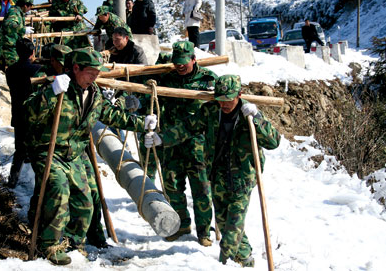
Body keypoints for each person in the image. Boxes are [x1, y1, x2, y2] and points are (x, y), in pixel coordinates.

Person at [24, 48, 157, 265]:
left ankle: (74, 244)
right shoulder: (55, 87)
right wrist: (51, 93)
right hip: (50, 152)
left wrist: (141, 123)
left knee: (85, 202)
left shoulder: (93, 94)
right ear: (76, 69)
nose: (95, 77)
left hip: (75, 154)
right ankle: (50, 245)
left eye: (98, 73)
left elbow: (111, 115)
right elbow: (27, 113)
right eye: (91, 72)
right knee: (58, 192)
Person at [145, 74, 281, 267]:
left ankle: (223, 263)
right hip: (217, 176)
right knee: (225, 224)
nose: (224, 104)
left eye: (228, 100)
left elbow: (274, 142)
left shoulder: (248, 115)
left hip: (242, 180)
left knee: (233, 228)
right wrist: (161, 139)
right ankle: (245, 259)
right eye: (220, 99)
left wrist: (257, 118)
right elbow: (187, 128)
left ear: (239, 95)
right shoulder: (210, 111)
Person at [140, 41, 217, 246]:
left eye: (184, 62)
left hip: (197, 146)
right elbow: (148, 93)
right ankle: (182, 225)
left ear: (194, 59)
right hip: (170, 144)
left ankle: (203, 232)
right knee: (173, 188)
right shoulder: (167, 78)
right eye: (177, 62)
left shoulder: (207, 80)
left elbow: (222, 105)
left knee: (201, 190)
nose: (180, 66)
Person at [5, 38, 43, 188]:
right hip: (33, 116)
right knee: (38, 151)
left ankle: (12, 180)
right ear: (33, 53)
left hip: (18, 113)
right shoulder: (37, 70)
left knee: (19, 150)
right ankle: (39, 185)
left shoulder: (10, 70)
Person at [0, 0, 34, 70]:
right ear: (25, 5)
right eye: (30, 6)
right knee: (15, 68)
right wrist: (23, 29)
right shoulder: (14, 12)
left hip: (13, 45)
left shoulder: (18, 12)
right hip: (9, 46)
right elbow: (9, 24)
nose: (30, 8)